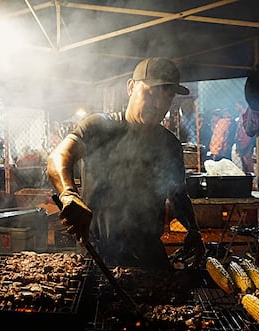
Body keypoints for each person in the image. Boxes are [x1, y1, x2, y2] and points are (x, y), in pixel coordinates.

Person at [46, 57, 205, 269]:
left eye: (167, 97)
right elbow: (58, 156)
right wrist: (68, 194)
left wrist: (194, 231)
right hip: (97, 253)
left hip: (148, 253)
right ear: (131, 87)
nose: (159, 104)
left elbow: (178, 194)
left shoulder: (169, 144)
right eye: (151, 92)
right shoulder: (100, 126)